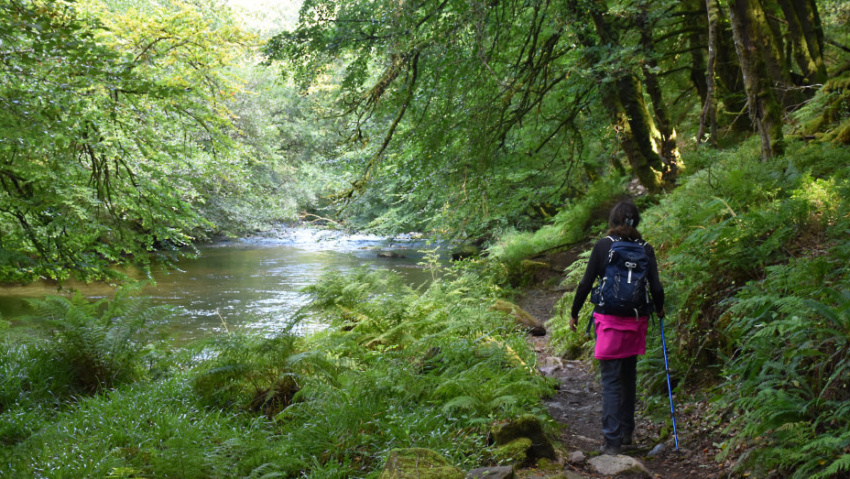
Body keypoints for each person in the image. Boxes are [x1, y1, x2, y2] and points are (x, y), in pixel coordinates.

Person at [569, 200, 665, 455]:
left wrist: (574, 313)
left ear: (612, 221)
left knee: (611, 380)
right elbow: (655, 287)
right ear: (637, 222)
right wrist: (660, 308)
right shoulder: (646, 248)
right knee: (628, 377)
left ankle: (611, 442)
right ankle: (626, 433)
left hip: (609, 320)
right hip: (636, 321)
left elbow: (586, 282)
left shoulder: (604, 246)